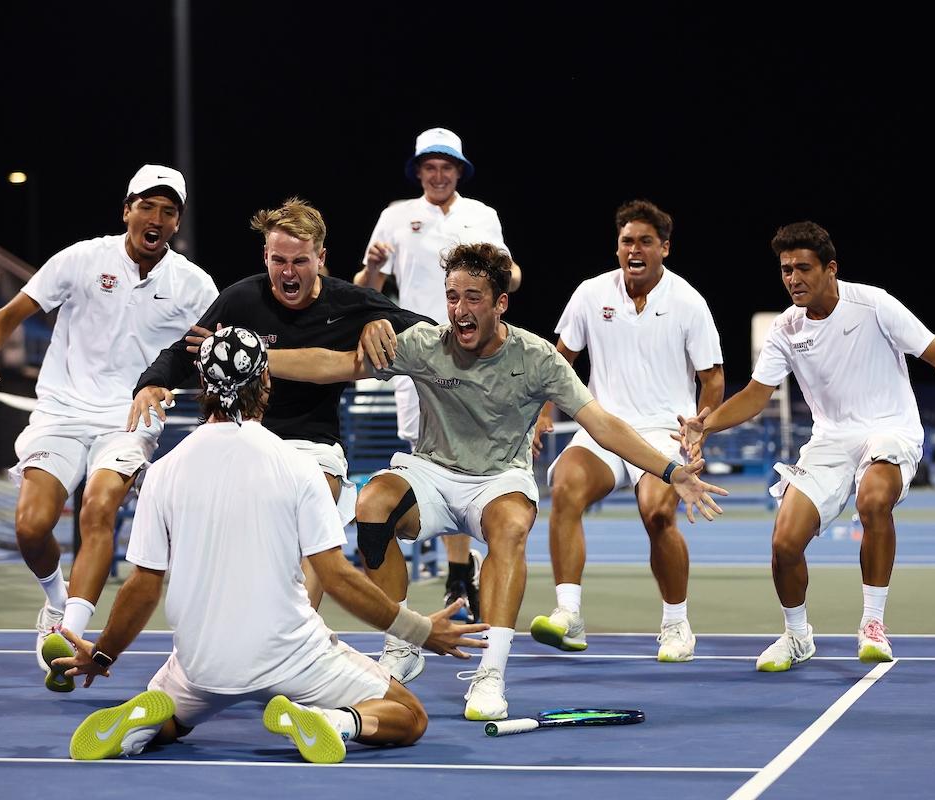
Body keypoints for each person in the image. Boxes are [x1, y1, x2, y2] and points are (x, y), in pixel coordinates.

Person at [267, 242, 727, 721]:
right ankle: (402, 645)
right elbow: (335, 365)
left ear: (499, 303)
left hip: (499, 479)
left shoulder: (537, 358)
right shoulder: (424, 344)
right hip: (431, 473)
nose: (460, 310)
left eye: (473, 298)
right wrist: (264, 356)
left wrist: (671, 470)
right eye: (452, 297)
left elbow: (602, 424)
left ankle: (490, 673)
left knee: (509, 528)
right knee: (372, 503)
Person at [50, 327, 487, 763]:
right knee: (408, 716)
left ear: (202, 383)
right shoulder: (300, 468)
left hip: (201, 666)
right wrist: (418, 631)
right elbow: (337, 578)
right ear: (265, 381)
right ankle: (333, 721)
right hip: (292, 656)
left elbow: (143, 587)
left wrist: (103, 655)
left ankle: (143, 725)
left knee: (175, 718)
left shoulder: (163, 472)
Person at [677, 221, 935, 671]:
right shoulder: (785, 328)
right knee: (785, 542)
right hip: (830, 439)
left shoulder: (873, 304)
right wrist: (705, 425)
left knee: (873, 500)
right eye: (786, 270)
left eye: (803, 268)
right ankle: (797, 636)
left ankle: (873, 624)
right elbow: (756, 395)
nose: (793, 278)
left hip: (890, 429)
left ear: (830, 269)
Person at [0, 165, 218, 687]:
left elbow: (215, 353)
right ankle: (56, 599)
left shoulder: (194, 285)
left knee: (98, 509)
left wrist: (184, 388)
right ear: (126, 211)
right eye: (146, 206)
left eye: (168, 211)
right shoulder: (80, 259)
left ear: (177, 223)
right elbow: (8, 315)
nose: (156, 218)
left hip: (129, 419)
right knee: (30, 526)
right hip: (60, 411)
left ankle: (69, 635)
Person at [131, 198, 431, 607]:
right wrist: (151, 384)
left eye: (300, 261)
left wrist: (381, 323)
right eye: (279, 260)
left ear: (321, 258)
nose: (288, 272)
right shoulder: (240, 300)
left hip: (313, 444)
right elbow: (185, 351)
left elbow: (427, 330)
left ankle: (301, 630)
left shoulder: (351, 304)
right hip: (241, 439)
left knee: (316, 506)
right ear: (265, 256)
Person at [530, 200, 724, 662]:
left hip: (663, 433)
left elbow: (713, 378)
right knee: (565, 488)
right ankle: (569, 614)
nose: (634, 249)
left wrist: (702, 426)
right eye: (626, 241)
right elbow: (560, 360)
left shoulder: (688, 301)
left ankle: (676, 625)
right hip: (603, 428)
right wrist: (541, 412)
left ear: (664, 248)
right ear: (617, 247)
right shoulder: (590, 293)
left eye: (645, 242)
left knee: (657, 514)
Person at [355, 128, 522, 630]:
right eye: (429, 166)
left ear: (458, 171)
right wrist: (372, 267)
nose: (438, 174)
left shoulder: (482, 216)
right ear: (419, 171)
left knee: (467, 456)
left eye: (446, 166)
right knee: (430, 458)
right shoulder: (394, 216)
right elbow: (367, 287)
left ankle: (458, 572)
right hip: (416, 353)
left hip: (473, 353)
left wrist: (504, 275)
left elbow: (511, 276)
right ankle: (458, 570)